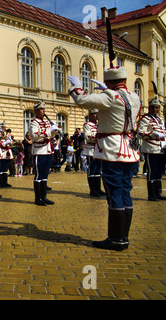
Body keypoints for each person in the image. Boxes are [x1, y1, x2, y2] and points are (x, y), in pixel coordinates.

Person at [68, 65, 141, 251]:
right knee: (125, 192)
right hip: (129, 149)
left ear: (108, 82)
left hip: (113, 149)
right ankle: (123, 236)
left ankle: (115, 239)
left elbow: (82, 99)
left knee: (114, 193)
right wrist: (108, 89)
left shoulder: (110, 97)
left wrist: (76, 86)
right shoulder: (134, 96)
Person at [136, 96, 166, 201]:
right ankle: (151, 194)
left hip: (161, 149)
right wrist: (154, 134)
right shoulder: (145, 118)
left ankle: (158, 192)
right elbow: (140, 133)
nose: (155, 109)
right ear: (149, 108)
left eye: (157, 107)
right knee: (152, 172)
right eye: (153, 107)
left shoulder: (160, 120)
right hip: (151, 149)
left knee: (159, 172)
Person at [28, 100, 57, 206]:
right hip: (39, 151)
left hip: (48, 151)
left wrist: (54, 132)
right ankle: (38, 198)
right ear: (36, 111)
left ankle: (44, 197)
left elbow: (49, 135)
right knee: (38, 175)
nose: (43, 111)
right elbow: (35, 136)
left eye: (44, 109)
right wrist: (49, 132)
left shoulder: (46, 122)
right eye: (41, 109)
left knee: (45, 175)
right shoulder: (34, 123)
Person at [83, 109, 106, 197]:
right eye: (94, 114)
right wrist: (99, 137)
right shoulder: (87, 125)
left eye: (97, 114)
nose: (96, 115)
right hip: (91, 150)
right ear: (90, 115)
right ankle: (92, 190)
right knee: (92, 170)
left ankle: (98, 188)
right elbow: (88, 137)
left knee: (98, 171)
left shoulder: (99, 125)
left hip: (98, 150)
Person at [0, 123, 13, 188]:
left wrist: (10, 141)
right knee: (1, 169)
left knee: (6, 169)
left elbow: (12, 143)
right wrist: (5, 142)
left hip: (8, 153)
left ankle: (5, 182)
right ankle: (1, 183)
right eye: (3, 127)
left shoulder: (7, 136)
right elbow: (1, 144)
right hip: (3, 153)